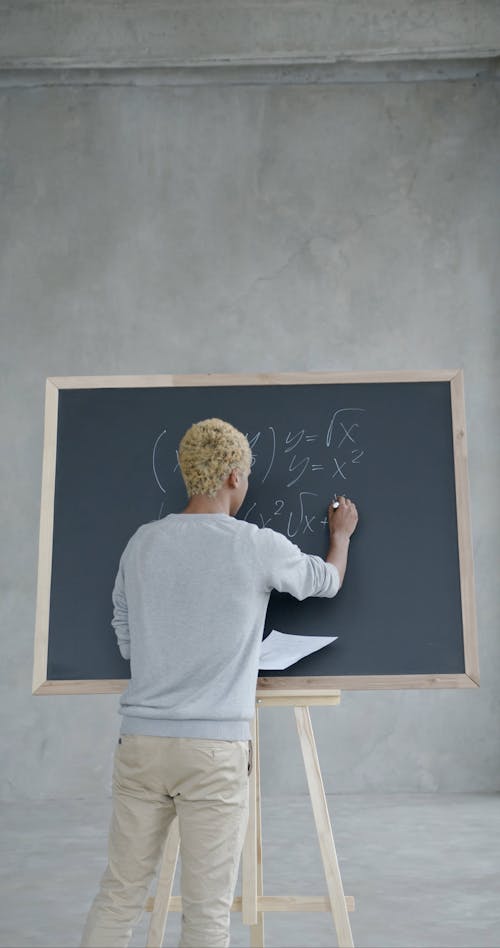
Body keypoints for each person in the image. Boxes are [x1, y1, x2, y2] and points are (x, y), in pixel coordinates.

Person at [80, 417, 358, 948]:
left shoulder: (142, 543)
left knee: (119, 894)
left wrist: (168, 658)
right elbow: (327, 583)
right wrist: (339, 537)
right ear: (234, 476)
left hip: (141, 741)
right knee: (206, 913)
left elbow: (123, 631)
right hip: (214, 748)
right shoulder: (254, 544)